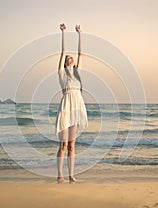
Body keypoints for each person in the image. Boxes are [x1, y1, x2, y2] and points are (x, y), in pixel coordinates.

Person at [55, 23, 88, 184]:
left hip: (76, 108)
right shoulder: (62, 75)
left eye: (71, 57)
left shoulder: (77, 74)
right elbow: (62, 52)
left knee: (72, 146)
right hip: (65, 109)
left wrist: (80, 33)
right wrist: (63, 32)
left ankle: (71, 175)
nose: (70, 57)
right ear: (65, 62)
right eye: (68, 57)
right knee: (63, 145)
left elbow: (81, 53)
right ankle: (60, 175)